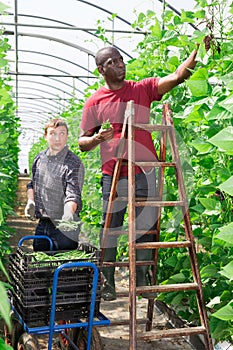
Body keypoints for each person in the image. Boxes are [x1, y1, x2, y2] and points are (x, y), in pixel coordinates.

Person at [78, 45, 199, 301]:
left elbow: (176, 77)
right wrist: (98, 137)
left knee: (147, 223)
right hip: (114, 172)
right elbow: (82, 142)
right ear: (102, 69)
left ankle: (142, 277)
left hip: (145, 169)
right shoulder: (95, 101)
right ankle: (108, 281)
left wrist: (193, 57)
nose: (120, 64)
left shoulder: (140, 89)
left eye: (121, 59)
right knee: (111, 225)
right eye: (112, 62)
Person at [25, 118, 84, 251]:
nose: (58, 138)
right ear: (45, 136)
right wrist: (31, 201)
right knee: (40, 264)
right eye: (53, 133)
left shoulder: (73, 163)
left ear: (67, 136)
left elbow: (73, 193)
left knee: (62, 266)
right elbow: (32, 184)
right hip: (43, 223)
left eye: (62, 133)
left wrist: (68, 213)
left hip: (64, 225)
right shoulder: (39, 159)